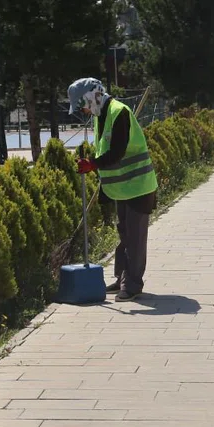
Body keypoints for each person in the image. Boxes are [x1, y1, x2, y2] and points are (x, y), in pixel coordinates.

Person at [68, 77, 159, 302]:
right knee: (124, 235)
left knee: (135, 238)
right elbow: (105, 149)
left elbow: (117, 151)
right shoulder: (101, 116)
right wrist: (92, 162)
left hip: (139, 186)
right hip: (122, 188)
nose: (84, 111)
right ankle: (122, 279)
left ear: (93, 97)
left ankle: (133, 285)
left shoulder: (119, 112)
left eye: (82, 105)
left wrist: (93, 164)